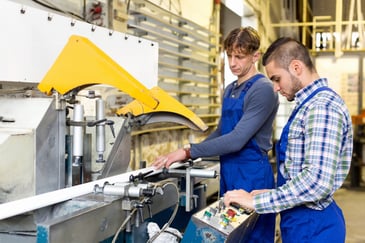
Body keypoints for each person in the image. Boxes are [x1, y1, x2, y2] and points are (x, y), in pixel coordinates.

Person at [153, 26, 279, 243]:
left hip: (252, 174)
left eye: (239, 56)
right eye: (229, 55)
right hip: (229, 171)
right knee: (227, 234)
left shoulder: (263, 89)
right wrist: (193, 155)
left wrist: (187, 152)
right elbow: (222, 131)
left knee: (253, 238)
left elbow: (237, 139)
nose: (232, 63)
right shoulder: (230, 89)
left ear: (255, 56)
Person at [223, 37, 353, 243]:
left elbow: (317, 183)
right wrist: (273, 192)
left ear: (296, 67)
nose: (275, 87)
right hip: (300, 223)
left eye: (276, 78)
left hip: (314, 228)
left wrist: (258, 201)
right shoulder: (308, 105)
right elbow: (301, 172)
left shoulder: (322, 107)